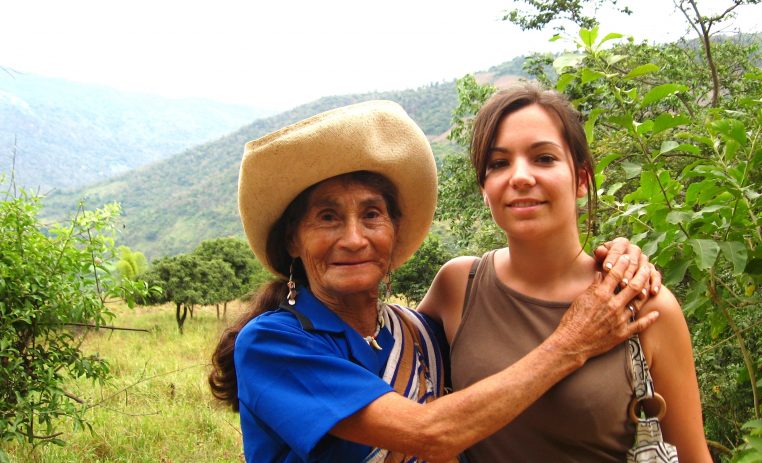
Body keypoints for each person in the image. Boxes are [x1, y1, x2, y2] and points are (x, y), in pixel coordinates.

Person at [208, 100, 658, 463]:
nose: (354, 238)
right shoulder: (271, 344)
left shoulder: (417, 331)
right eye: (327, 217)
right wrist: (573, 342)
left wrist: (619, 257)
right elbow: (431, 432)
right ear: (292, 239)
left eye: (371, 214)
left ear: (394, 230)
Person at [417, 84, 711, 462]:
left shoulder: (642, 303)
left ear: (582, 178)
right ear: (484, 189)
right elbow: (390, 363)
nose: (520, 177)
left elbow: (693, 455)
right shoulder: (458, 286)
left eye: (543, 158)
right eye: (499, 163)